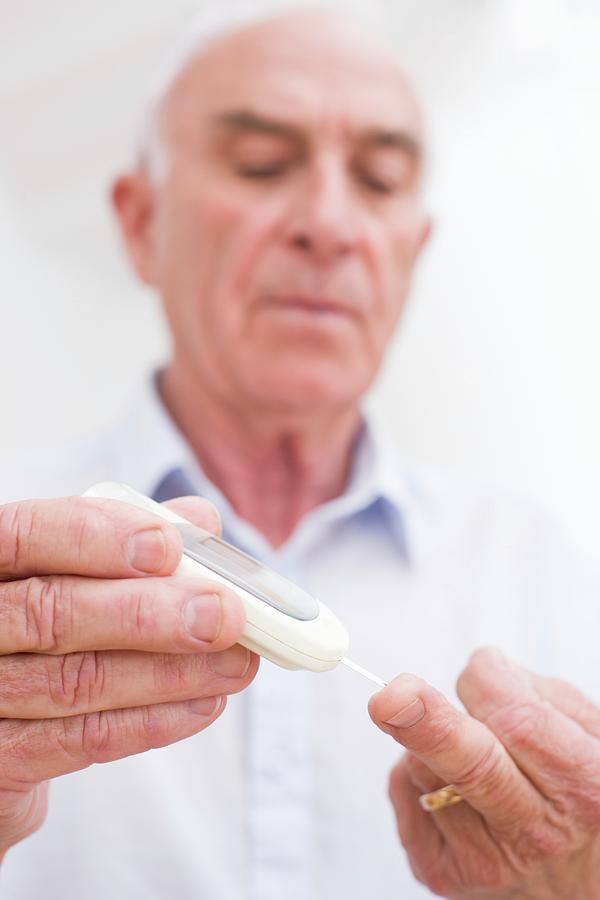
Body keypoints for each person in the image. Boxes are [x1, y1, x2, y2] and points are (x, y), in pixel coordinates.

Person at [1, 4, 599, 898]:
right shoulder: (14, 552)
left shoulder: (543, 566)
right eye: (261, 165)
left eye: (381, 180)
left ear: (412, 252)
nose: (329, 222)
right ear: (140, 224)